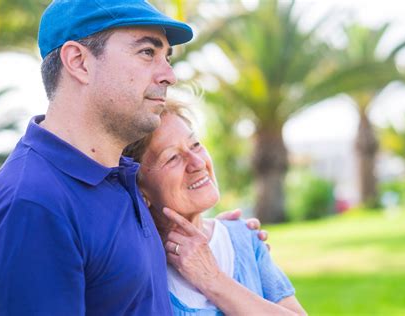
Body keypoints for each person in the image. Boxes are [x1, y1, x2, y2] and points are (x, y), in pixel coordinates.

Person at [0, 1, 265, 315]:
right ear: (79, 62)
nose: (169, 76)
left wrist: (218, 236)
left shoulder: (118, 176)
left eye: (166, 57)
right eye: (147, 52)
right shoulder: (32, 204)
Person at [123, 99, 307, 315]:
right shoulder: (135, 265)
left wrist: (213, 279)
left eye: (195, 145)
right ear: (140, 187)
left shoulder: (244, 238)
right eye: (172, 158)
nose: (198, 162)